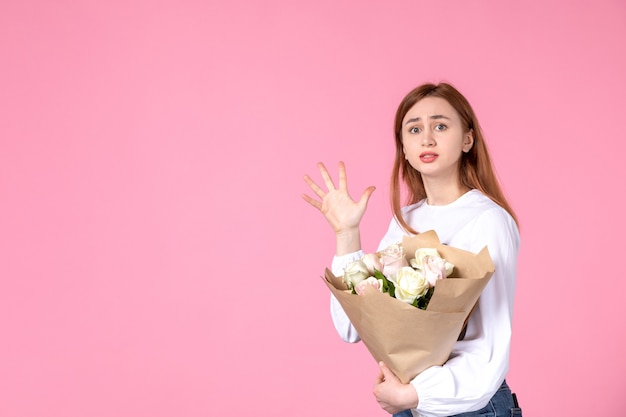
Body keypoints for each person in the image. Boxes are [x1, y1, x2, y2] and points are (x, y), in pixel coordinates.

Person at [302, 82, 522, 417]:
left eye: (441, 126)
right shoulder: (406, 219)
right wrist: (347, 233)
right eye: (414, 128)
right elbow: (352, 327)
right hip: (412, 403)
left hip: (471, 407)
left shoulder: (489, 220)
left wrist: (416, 394)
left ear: (467, 140)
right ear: (403, 148)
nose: (427, 139)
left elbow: (489, 347)